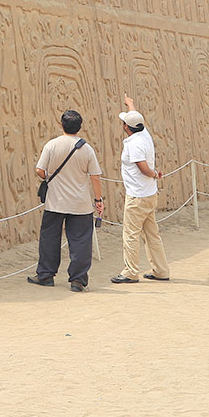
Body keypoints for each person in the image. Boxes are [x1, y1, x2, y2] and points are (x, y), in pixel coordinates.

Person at [27, 109, 105, 293]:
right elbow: (95, 176)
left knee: (49, 238)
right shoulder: (86, 149)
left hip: (56, 201)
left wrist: (47, 176)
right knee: (80, 241)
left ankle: (46, 274)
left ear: (61, 124)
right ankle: (78, 280)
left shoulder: (52, 145)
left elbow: (39, 170)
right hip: (80, 203)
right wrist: (98, 199)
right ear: (79, 127)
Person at [110, 95, 170, 284]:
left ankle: (130, 271)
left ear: (127, 128)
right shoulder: (144, 133)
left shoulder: (135, 144)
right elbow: (135, 116)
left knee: (130, 234)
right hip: (149, 194)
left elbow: (143, 168)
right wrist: (130, 104)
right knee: (152, 234)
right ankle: (161, 270)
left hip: (137, 196)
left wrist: (154, 174)